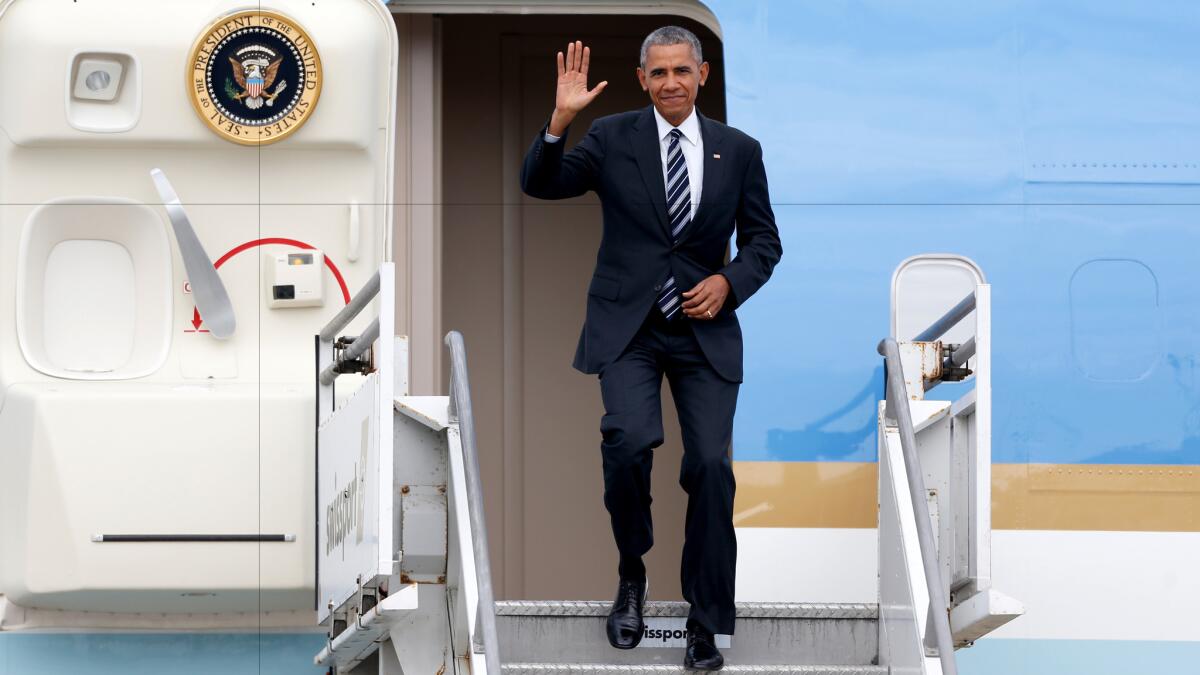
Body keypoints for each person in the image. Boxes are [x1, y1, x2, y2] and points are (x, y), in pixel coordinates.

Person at [520, 26, 782, 671]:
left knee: (712, 471)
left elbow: (764, 244)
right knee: (631, 442)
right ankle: (632, 571)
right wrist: (560, 120)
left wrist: (728, 281)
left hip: (704, 331)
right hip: (629, 327)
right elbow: (541, 184)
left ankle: (706, 623)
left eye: (681, 72)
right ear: (642, 78)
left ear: (703, 76)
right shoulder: (612, 137)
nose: (670, 83)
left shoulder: (738, 150)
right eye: (658, 73)